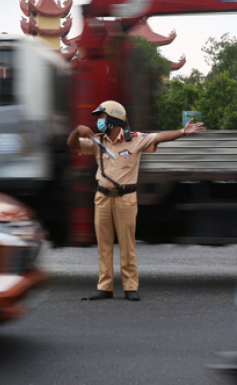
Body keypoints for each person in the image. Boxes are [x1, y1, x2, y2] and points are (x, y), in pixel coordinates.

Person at [67, 100, 204, 301]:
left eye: (103, 117)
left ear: (113, 120)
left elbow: (160, 137)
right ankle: (104, 288)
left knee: (127, 244)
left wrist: (182, 131)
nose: (99, 121)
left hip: (126, 199)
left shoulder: (135, 139)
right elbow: (71, 144)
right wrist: (77, 131)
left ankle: (130, 287)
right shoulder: (97, 141)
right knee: (103, 245)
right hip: (102, 198)